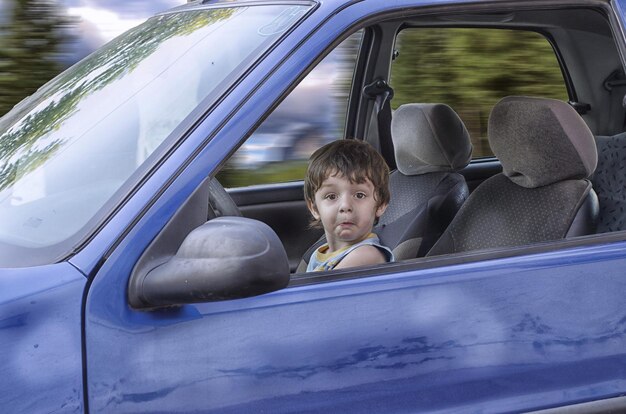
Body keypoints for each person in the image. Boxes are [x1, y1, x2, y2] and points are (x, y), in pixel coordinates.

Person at [304, 139, 394, 272]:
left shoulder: (367, 255)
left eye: (359, 195)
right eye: (331, 196)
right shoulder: (320, 253)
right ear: (314, 208)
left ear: (380, 204)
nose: (345, 206)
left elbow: (319, 293)